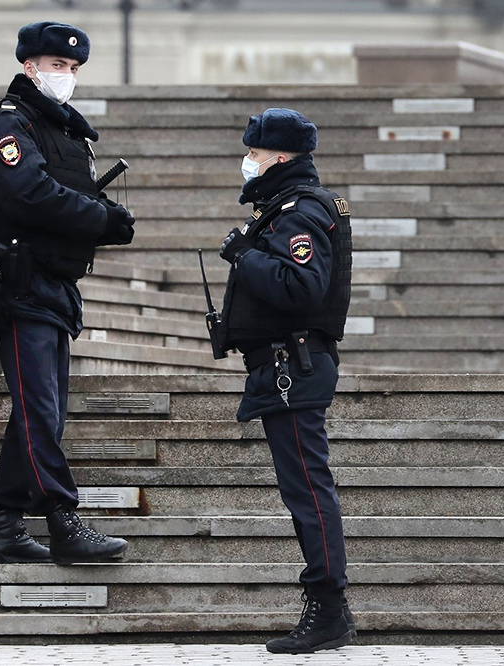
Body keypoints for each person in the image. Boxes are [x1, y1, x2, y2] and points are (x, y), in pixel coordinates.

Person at [0, 21, 134, 566]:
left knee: (43, 413)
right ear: (28, 67)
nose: (65, 76)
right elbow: (31, 194)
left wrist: (105, 217)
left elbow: (68, 195)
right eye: (56, 66)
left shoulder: (65, 131)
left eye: (73, 69)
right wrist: (100, 218)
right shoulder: (8, 124)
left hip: (57, 285)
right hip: (20, 284)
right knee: (40, 411)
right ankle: (63, 521)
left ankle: (6, 527)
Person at [216, 108, 355, 653]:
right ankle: (327, 605)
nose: (247, 162)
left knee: (308, 490)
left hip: (291, 366)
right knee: (304, 488)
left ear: (277, 157)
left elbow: (301, 288)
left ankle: (328, 606)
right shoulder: (287, 208)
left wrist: (244, 255)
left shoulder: (298, 213)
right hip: (284, 366)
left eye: (253, 153)